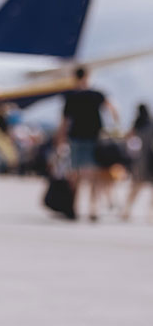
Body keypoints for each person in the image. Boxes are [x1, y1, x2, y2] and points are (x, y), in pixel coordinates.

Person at [56, 67, 119, 221]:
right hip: (94, 137)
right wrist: (115, 127)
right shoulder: (97, 94)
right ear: (88, 76)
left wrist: (60, 141)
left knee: (75, 173)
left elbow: (64, 122)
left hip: (76, 138)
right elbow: (113, 109)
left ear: (74, 77)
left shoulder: (71, 97)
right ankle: (93, 208)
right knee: (94, 174)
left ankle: (74, 207)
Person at [121, 103, 153, 221]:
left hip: (140, 160)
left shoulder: (137, 124)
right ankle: (150, 214)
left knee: (135, 187)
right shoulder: (150, 123)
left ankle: (126, 210)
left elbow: (128, 137)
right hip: (151, 159)